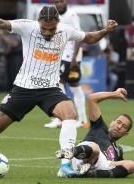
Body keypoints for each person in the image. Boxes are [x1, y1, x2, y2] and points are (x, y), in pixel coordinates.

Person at [0, 5, 118, 178]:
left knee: (69, 114)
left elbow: (88, 37)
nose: (48, 32)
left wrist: (106, 30)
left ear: (58, 22)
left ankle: (65, 164)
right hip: (24, 87)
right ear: (38, 22)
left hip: (50, 88)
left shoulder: (66, 30)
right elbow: (2, 24)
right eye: (44, 28)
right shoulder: (27, 26)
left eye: (52, 29)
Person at [56, 88, 134, 178]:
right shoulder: (99, 126)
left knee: (131, 164)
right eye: (118, 122)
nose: (119, 127)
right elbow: (92, 98)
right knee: (95, 149)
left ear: (125, 133)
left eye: (123, 126)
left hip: (101, 164)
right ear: (112, 122)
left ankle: (88, 175)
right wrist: (115, 94)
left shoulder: (118, 150)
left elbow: (128, 170)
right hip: (84, 156)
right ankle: (69, 153)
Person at [44, 0, 89, 129]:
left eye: (62, 1)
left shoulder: (72, 15)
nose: (59, 4)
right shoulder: (56, 16)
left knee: (60, 82)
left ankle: (65, 118)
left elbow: (79, 36)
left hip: (70, 55)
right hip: (61, 54)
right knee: (69, 84)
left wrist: (75, 57)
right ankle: (78, 120)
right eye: (57, 2)